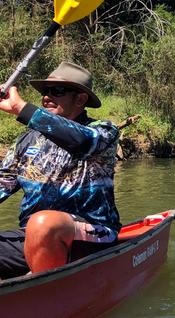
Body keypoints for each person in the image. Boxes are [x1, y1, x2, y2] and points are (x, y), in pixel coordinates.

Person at [0, 61, 121, 279]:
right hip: (33, 237)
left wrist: (21, 109)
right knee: (38, 227)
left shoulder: (103, 132)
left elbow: (82, 142)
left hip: (94, 234)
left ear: (80, 99)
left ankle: (42, 295)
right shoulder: (26, 141)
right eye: (45, 92)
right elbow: (3, 182)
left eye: (57, 91)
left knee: (44, 223)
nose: (47, 97)